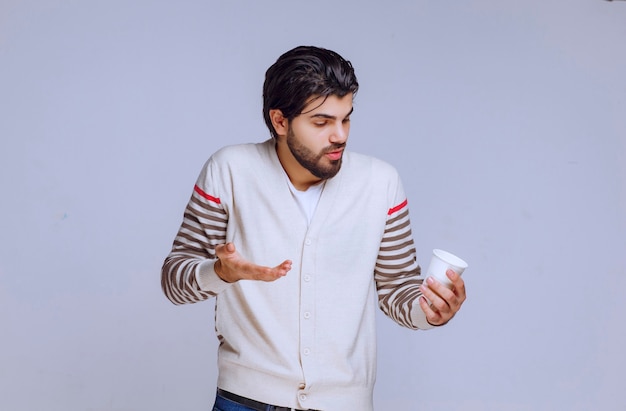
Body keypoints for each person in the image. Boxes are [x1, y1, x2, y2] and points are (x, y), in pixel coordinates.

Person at [161, 45, 466, 411]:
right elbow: (174, 282)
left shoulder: (381, 183)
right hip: (245, 401)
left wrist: (429, 311)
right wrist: (220, 273)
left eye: (346, 119)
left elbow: (397, 289)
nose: (339, 135)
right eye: (322, 122)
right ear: (280, 121)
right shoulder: (230, 170)